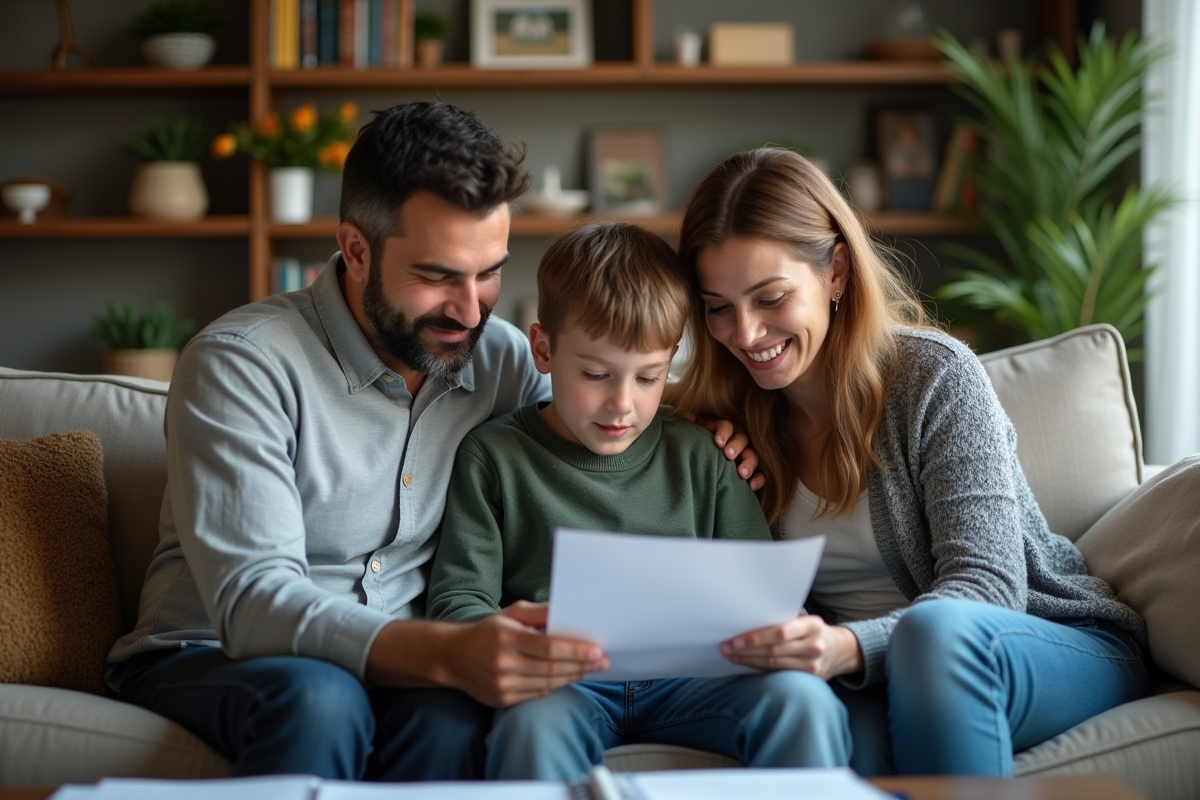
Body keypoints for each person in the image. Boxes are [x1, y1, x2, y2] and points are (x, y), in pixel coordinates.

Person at [103, 102, 760, 781]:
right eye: (438, 276)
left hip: (413, 666)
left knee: (452, 718)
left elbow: (595, 420)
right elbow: (253, 602)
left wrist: (699, 427)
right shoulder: (241, 364)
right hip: (211, 652)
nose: (472, 309)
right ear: (356, 250)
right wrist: (445, 652)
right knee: (322, 701)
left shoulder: (500, 356)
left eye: (488, 273)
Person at [667, 148, 1152, 776]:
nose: (747, 334)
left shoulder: (934, 377)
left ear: (836, 270)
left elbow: (989, 589)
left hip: (1041, 641)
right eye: (719, 307)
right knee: (837, 737)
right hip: (869, 673)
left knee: (934, 635)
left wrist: (846, 647)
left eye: (771, 298)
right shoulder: (728, 415)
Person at [426, 222, 851, 780]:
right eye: (596, 374)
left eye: (649, 378)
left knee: (805, 704)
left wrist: (779, 627)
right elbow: (459, 600)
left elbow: (761, 592)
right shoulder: (494, 456)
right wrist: (515, 640)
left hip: (699, 680)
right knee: (531, 729)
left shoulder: (703, 454)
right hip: (563, 684)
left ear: (671, 360)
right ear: (543, 349)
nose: (621, 404)